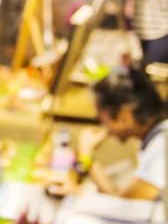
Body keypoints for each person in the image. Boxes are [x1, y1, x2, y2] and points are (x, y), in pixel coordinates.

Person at [61, 66, 167, 200]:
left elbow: (125, 206)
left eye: (102, 117)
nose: (102, 125)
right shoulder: (155, 140)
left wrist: (88, 156)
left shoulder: (162, 146)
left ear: (124, 115)